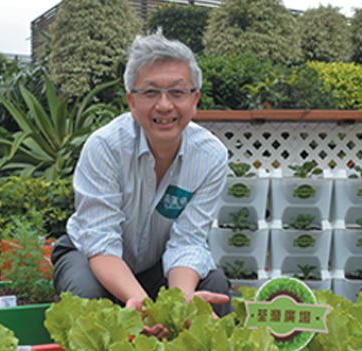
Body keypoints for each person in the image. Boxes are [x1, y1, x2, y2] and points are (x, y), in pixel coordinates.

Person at [51, 28, 232, 339]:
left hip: (156, 264)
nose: (164, 106)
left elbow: (188, 241)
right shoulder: (105, 147)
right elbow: (101, 241)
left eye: (177, 92)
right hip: (90, 256)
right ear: (131, 102)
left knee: (214, 287)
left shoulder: (211, 156)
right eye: (150, 93)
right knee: (87, 295)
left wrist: (181, 305)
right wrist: (144, 305)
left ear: (195, 100)